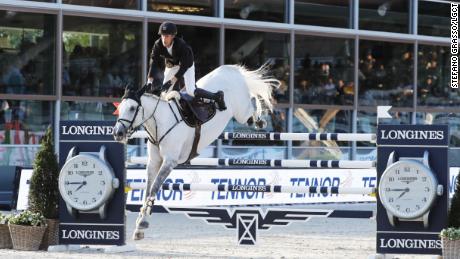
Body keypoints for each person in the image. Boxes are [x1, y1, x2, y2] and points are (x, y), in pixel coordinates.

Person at [147, 21, 226, 111]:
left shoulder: (182, 46)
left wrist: (173, 80)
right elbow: (153, 61)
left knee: (191, 91)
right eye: (162, 35)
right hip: (171, 65)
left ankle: (217, 96)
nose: (164, 39)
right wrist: (149, 81)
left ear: (173, 36)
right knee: (165, 93)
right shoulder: (158, 44)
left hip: (186, 64)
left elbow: (184, 67)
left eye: (167, 36)